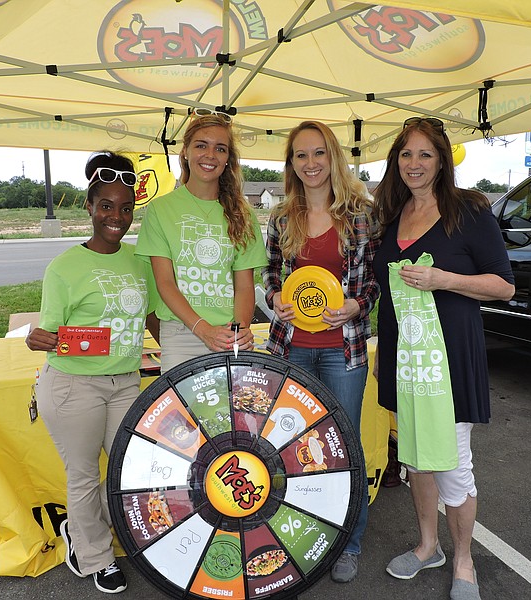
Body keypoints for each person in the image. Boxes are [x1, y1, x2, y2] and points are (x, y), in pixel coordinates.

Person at [372, 117, 515, 600]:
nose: (414, 164)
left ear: (442, 161)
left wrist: (446, 280)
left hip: (448, 362)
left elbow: (503, 285)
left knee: (453, 465)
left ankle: (464, 560)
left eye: (425, 155)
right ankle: (427, 545)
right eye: (406, 155)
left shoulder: (468, 211)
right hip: (405, 361)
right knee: (416, 461)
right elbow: (382, 291)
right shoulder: (393, 216)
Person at [25, 150, 160, 595]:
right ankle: (96, 556)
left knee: (129, 471)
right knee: (83, 475)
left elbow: (157, 320)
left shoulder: (141, 262)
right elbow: (46, 331)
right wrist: (37, 338)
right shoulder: (63, 267)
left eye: (125, 208)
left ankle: (82, 532)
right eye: (106, 206)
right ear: (89, 206)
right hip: (72, 386)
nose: (115, 217)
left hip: (125, 382)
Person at [263, 120, 380, 584]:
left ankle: (347, 543)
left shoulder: (361, 215)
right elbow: (271, 274)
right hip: (291, 349)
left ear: (333, 157)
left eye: (318, 154)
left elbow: (373, 280)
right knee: (293, 447)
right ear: (291, 164)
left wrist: (356, 303)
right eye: (300, 156)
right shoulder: (279, 216)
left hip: (342, 351)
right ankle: (300, 537)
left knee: (343, 447)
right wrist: (274, 301)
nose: (310, 164)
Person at [135, 110, 266, 372]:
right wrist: (203, 330)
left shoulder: (243, 213)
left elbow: (244, 286)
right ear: (185, 151)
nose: (210, 155)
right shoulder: (161, 210)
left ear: (228, 158)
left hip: (230, 337)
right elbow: (165, 283)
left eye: (220, 148)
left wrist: (240, 331)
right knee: (182, 413)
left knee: (230, 413)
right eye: (201, 146)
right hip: (182, 335)